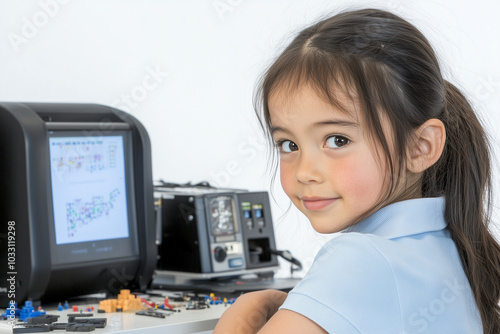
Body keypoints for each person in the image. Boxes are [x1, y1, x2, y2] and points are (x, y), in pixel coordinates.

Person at [213, 8, 500, 334]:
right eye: (289, 145)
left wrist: (244, 312)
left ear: (420, 147)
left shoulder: (360, 258)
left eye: (337, 140)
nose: (305, 172)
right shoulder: (445, 246)